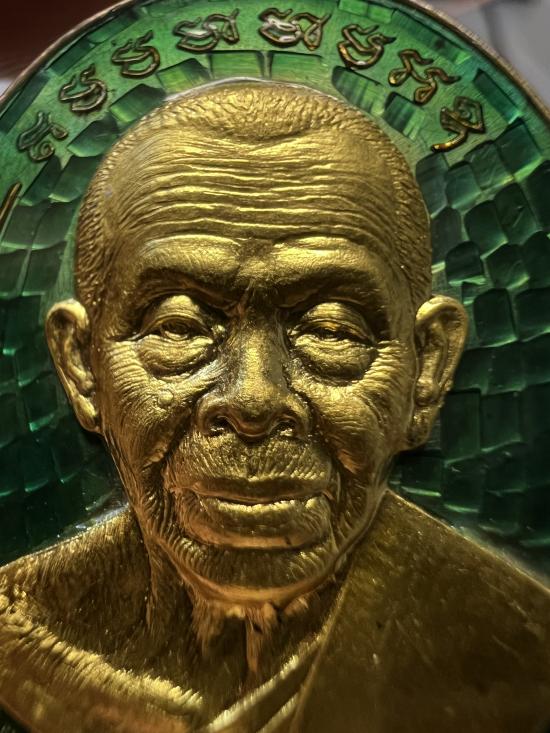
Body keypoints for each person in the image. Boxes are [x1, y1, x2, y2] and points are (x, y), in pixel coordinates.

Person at [1, 81, 549, 733]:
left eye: (332, 330)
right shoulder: (18, 633)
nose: (254, 399)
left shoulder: (516, 649)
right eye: (179, 327)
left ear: (428, 369)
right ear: (82, 366)